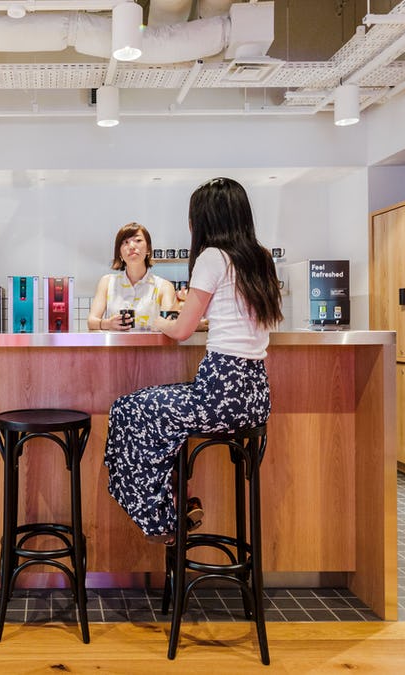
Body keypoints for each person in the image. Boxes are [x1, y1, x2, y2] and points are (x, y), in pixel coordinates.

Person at [104, 177, 283, 544]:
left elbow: (181, 330)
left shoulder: (212, 257)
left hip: (218, 394)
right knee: (157, 412)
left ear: (205, 219)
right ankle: (176, 501)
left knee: (128, 408)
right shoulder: (262, 258)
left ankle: (161, 520)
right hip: (255, 397)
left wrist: (157, 320)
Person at [88, 222, 177, 331]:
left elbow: (169, 325)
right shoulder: (107, 282)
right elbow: (91, 321)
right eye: (125, 242)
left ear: (148, 249)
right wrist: (108, 324)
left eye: (138, 240)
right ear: (119, 252)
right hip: (115, 342)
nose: (131, 246)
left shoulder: (164, 286)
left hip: (151, 343)